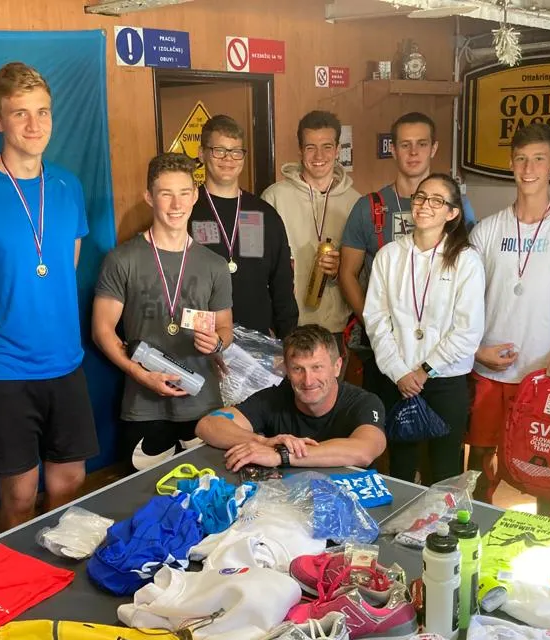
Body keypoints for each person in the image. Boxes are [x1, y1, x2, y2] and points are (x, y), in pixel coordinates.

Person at [0, 62, 99, 532]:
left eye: (43, 112)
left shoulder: (68, 186)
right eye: (20, 113)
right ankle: (18, 592)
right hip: (4, 368)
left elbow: (62, 268)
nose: (34, 125)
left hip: (65, 362)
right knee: (20, 497)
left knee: (70, 485)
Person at [466, 123, 550, 514]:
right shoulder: (487, 231)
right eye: (521, 159)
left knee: (547, 462)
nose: (529, 168)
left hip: (544, 370)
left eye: (539, 159)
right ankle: (477, 525)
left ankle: (544, 534)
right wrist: (476, 349)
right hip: (488, 366)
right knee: (479, 458)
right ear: (510, 164)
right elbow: (464, 298)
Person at [94, 153, 234, 470]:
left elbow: (226, 327)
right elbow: (102, 330)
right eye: (165, 193)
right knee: (146, 504)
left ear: (195, 196)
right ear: (149, 197)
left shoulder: (214, 265)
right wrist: (139, 374)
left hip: (203, 403)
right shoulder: (122, 259)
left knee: (205, 499)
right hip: (144, 406)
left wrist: (217, 344)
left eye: (184, 193)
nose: (176, 204)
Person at [363, 173, 485, 484]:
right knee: (401, 467)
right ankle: (401, 529)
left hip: (445, 380)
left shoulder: (466, 260)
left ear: (452, 213)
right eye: (420, 197)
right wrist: (399, 371)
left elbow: (467, 330)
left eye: (436, 200)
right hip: (398, 378)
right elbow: (376, 320)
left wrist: (424, 370)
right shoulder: (389, 256)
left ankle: (443, 531)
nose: (425, 205)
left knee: (444, 470)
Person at [195, 324, 386, 472]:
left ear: (337, 367)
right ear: (286, 369)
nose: (308, 380)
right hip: (287, 500)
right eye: (297, 369)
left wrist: (281, 455)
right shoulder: (273, 398)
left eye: (317, 367)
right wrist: (261, 442)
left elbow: (365, 450)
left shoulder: (364, 402)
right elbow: (208, 425)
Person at [189, 114, 298, 338]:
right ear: (202, 153)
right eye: (219, 150)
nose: (228, 159)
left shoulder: (264, 214)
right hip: (203, 340)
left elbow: (283, 286)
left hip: (258, 341)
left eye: (236, 151)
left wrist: (289, 340)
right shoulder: (186, 210)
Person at [261, 111, 359, 346]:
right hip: (285, 324)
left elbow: (365, 273)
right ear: (300, 150)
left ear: (337, 150)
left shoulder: (356, 202)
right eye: (310, 147)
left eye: (327, 147)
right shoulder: (273, 197)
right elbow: (258, 265)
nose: (319, 156)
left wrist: (340, 269)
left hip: (334, 326)